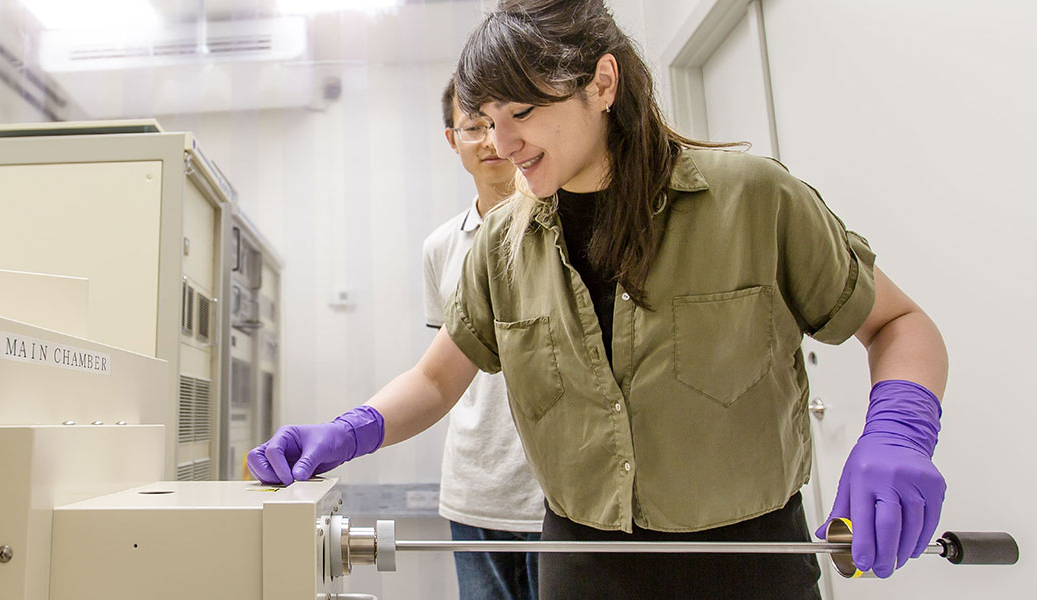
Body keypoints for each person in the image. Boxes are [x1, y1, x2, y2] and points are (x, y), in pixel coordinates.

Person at [249, 1, 948, 598]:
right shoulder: (502, 245)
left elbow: (897, 321)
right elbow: (438, 377)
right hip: (581, 566)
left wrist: (898, 434)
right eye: (488, 119)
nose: (502, 142)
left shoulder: (754, 200)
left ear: (602, 82)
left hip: (751, 562)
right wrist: (348, 431)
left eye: (521, 111)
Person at [420, 77, 544, 600]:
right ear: (454, 139)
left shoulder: (559, 223)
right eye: (474, 127)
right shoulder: (440, 247)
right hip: (475, 485)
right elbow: (441, 372)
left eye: (500, 124)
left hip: (552, 489)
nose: (491, 142)